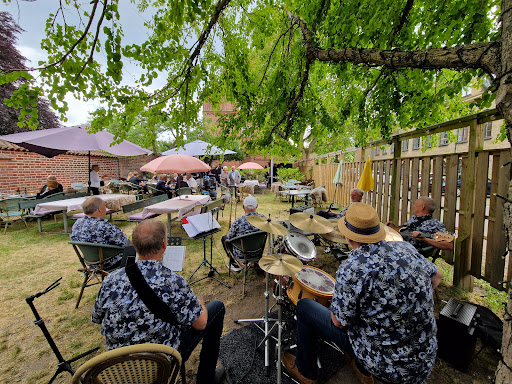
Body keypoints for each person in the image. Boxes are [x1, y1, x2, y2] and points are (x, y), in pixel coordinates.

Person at [282, 203, 442, 384]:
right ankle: (360, 367)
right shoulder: (405, 248)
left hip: (382, 361)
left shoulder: (352, 268)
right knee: (369, 314)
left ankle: (306, 372)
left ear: (348, 237)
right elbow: (437, 277)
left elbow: (338, 322)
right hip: (423, 358)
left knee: (305, 307)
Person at [91, 219, 226, 384]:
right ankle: (207, 379)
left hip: (116, 369)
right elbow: (200, 323)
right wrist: (198, 303)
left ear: (134, 246)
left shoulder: (110, 280)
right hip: (160, 366)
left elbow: (97, 318)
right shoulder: (174, 281)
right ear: (164, 245)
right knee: (217, 307)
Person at [70, 196, 128, 269]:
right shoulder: (105, 227)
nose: (106, 208)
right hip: (110, 262)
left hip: (91, 263)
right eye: (105, 206)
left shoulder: (76, 224)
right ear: (100, 209)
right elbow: (126, 243)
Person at [385, 196, 454, 251]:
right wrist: (391, 228)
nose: (413, 206)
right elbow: (401, 230)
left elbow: (449, 246)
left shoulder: (435, 224)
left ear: (422, 207)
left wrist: (425, 240)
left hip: (408, 252)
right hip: (396, 245)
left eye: (415, 204)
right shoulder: (414, 218)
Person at [221, 195, 265, 272]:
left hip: (242, 254)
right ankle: (257, 263)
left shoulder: (238, 221)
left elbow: (229, 237)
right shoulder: (263, 219)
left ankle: (235, 263)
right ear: (257, 206)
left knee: (224, 238)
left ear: (243, 207)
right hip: (258, 252)